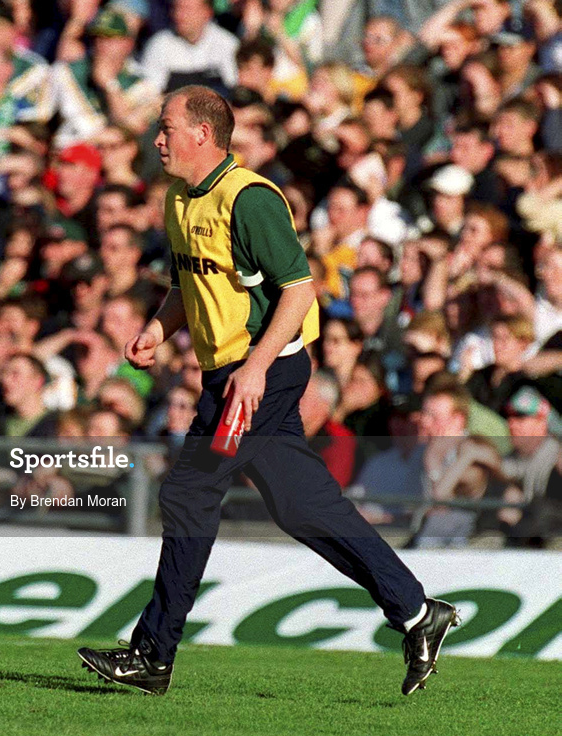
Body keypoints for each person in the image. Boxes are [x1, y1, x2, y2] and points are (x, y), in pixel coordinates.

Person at [77, 86, 458, 698]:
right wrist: (157, 326)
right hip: (230, 375)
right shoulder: (179, 199)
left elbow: (299, 292)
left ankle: (153, 655)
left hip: (259, 375)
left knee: (189, 493)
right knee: (301, 506)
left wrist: (253, 370)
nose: (157, 139)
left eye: (167, 127)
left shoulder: (249, 199)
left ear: (203, 133)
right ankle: (416, 612)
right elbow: (190, 284)